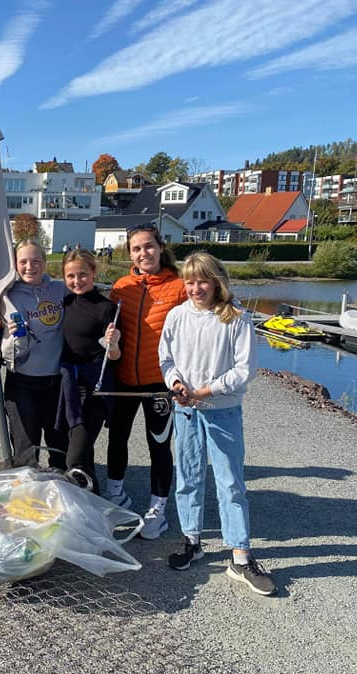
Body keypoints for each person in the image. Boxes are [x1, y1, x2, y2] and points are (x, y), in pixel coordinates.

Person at [159, 252, 275, 596]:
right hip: (186, 411)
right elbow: (167, 360)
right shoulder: (177, 316)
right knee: (188, 477)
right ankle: (192, 541)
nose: (196, 288)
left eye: (203, 281)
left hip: (221, 410)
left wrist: (205, 390)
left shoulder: (236, 317)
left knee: (230, 483)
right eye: (190, 281)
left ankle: (240, 556)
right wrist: (178, 386)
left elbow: (244, 370)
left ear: (217, 281)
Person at [105, 224, 187, 539]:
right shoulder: (121, 286)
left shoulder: (179, 287)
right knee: (117, 440)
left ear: (161, 247)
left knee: (159, 447)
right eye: (137, 248)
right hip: (123, 380)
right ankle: (116, 497)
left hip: (159, 383)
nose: (144, 253)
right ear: (131, 254)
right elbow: (112, 332)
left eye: (149, 246)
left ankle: (156, 511)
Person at [0, 240, 68, 470]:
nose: (30, 266)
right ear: (15, 265)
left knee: (59, 447)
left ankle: (60, 495)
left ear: (45, 262)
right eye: (23, 262)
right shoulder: (7, 297)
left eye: (36, 260)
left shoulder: (61, 290)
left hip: (56, 382)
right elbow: (4, 352)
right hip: (22, 382)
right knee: (26, 451)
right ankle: (27, 499)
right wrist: (14, 339)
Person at [58, 249, 121, 492]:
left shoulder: (107, 309)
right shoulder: (65, 302)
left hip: (95, 389)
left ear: (93, 273)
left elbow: (115, 356)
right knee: (83, 454)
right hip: (68, 386)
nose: (77, 281)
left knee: (75, 459)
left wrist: (113, 343)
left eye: (82, 274)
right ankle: (93, 506)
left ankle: (83, 511)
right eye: (70, 276)